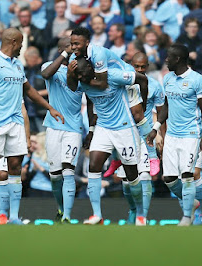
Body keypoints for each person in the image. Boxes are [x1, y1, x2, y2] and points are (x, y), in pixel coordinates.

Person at [0, 28, 64, 225]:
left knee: (15, 167)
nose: (21, 48)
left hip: (16, 122)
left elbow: (29, 91)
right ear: (14, 42)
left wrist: (49, 108)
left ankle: (14, 216)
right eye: (21, 44)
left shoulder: (18, 65)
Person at [68, 27, 160, 176]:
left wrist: (142, 104)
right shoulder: (74, 58)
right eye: (72, 44)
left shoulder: (97, 54)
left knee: (137, 116)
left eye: (77, 44)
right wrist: (70, 74)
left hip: (121, 78)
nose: (73, 47)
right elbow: (73, 87)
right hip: (106, 83)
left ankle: (153, 156)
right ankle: (117, 159)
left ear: (87, 43)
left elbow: (103, 83)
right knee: (111, 121)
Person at [69, 56, 146, 225]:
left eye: (82, 74)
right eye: (78, 76)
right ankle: (97, 215)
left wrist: (143, 105)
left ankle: (141, 213)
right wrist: (91, 129)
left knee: (132, 174)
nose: (81, 78)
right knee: (94, 166)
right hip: (103, 127)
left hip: (125, 127)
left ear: (90, 69)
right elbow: (89, 102)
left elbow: (141, 78)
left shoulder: (113, 75)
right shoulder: (83, 82)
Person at [147, 43, 202, 226]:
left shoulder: (197, 80)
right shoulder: (167, 79)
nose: (165, 60)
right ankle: (192, 202)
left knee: (187, 175)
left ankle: (186, 216)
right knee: (169, 179)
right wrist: (156, 127)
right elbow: (166, 106)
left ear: (178, 59)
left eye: (168, 57)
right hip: (172, 135)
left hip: (191, 134)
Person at [116, 52, 165, 223]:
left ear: (148, 67)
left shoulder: (155, 86)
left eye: (143, 67)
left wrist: (161, 136)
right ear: (131, 65)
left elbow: (161, 112)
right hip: (125, 132)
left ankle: (141, 216)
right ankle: (132, 209)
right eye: (136, 67)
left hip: (146, 134)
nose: (140, 70)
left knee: (144, 176)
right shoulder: (123, 82)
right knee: (127, 180)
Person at [40, 37, 83, 223]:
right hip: (53, 126)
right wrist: (66, 55)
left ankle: (67, 216)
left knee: (68, 171)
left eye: (75, 47)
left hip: (73, 127)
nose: (73, 50)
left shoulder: (81, 68)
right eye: (69, 47)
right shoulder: (50, 65)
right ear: (60, 50)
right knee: (55, 176)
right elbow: (45, 75)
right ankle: (60, 208)